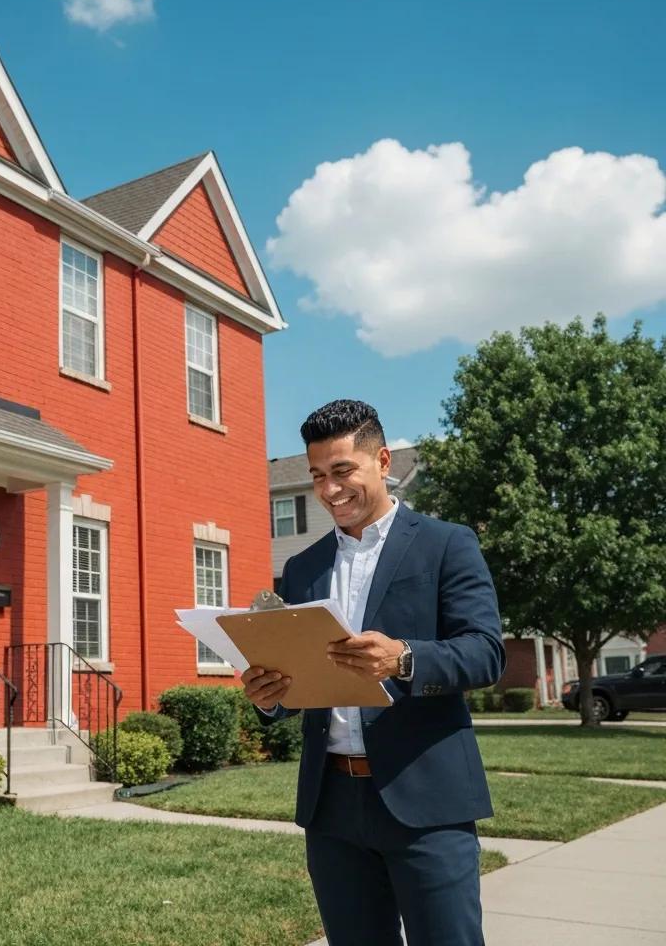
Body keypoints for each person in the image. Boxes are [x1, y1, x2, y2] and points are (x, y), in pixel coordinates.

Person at [245, 399, 504, 946]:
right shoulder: (302, 567)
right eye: (317, 476)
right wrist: (270, 695)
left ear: (382, 461)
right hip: (332, 807)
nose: (329, 490)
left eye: (342, 472)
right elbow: (302, 681)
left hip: (427, 799)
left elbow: (485, 652)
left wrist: (404, 658)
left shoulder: (446, 544)